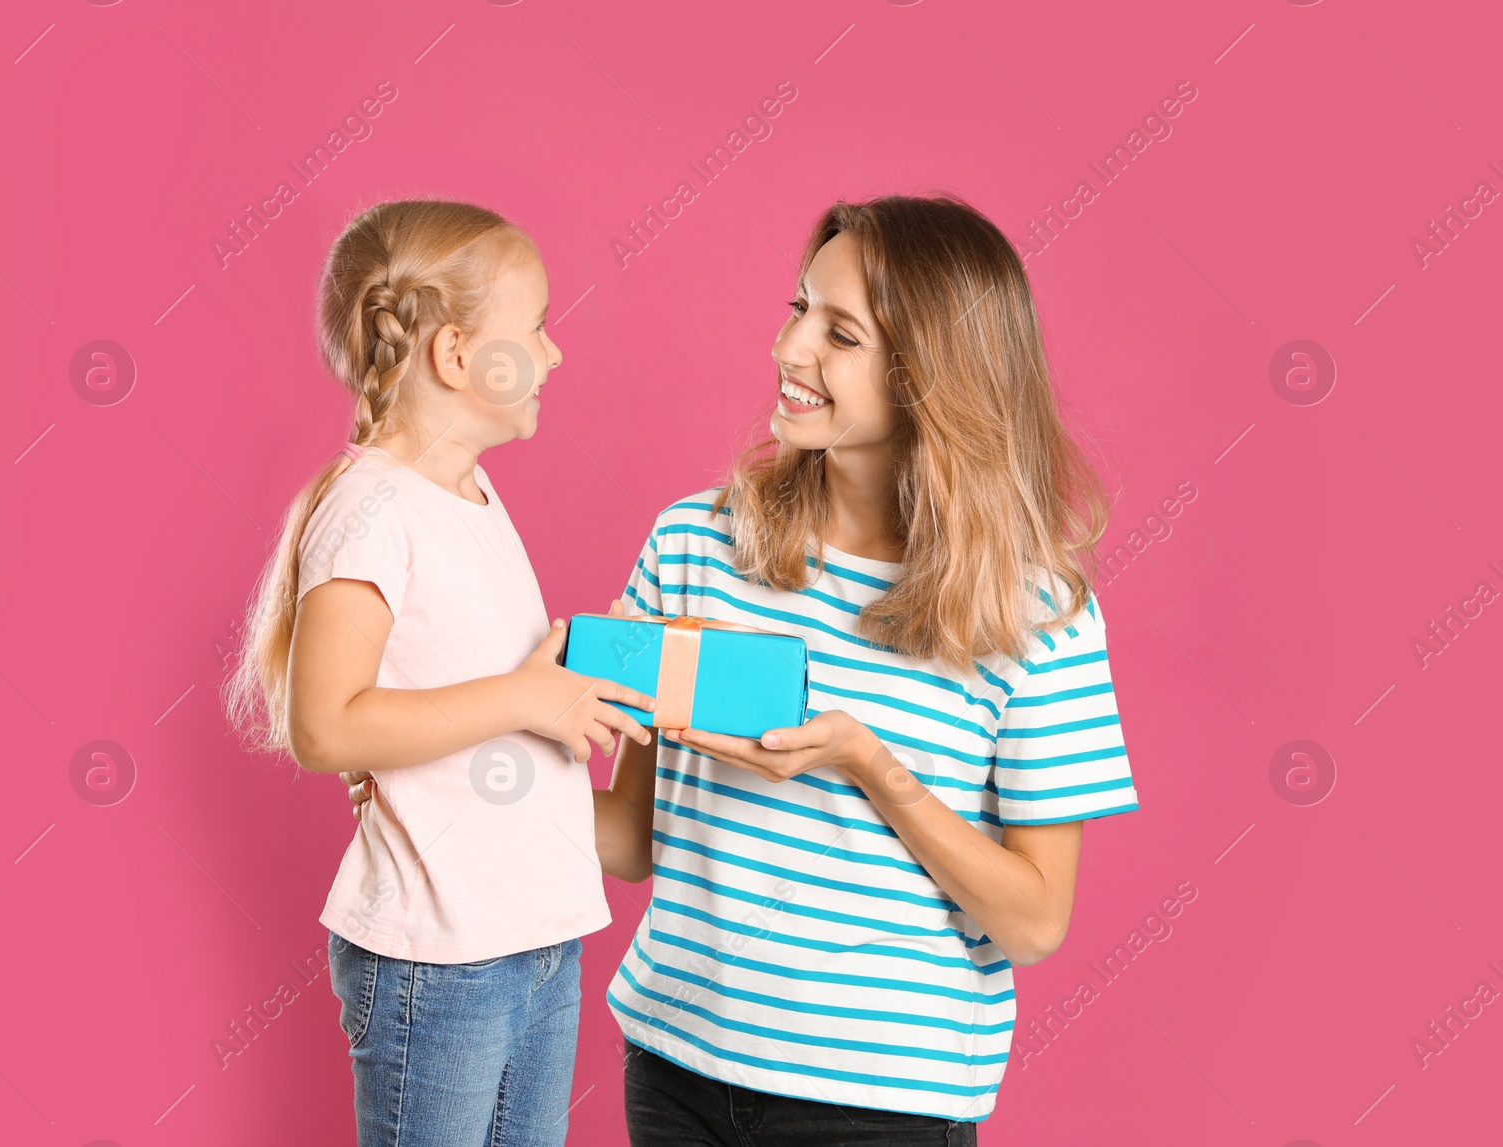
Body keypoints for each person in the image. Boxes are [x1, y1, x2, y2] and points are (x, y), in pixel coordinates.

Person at [348, 192, 1141, 1144]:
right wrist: (429, 767)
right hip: (677, 1069)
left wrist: (864, 762)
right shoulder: (696, 544)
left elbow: (1034, 922)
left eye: (840, 334)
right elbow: (632, 834)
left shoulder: (1037, 611)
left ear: (934, 376)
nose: (791, 348)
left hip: (879, 1108)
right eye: (799, 307)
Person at [224, 199, 656, 1147]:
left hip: (533, 940)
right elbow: (326, 725)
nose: (554, 354)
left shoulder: (468, 494)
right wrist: (527, 696)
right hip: (441, 958)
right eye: (536, 328)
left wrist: (582, 674)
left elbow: (462, 691)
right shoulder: (375, 511)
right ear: (458, 358)